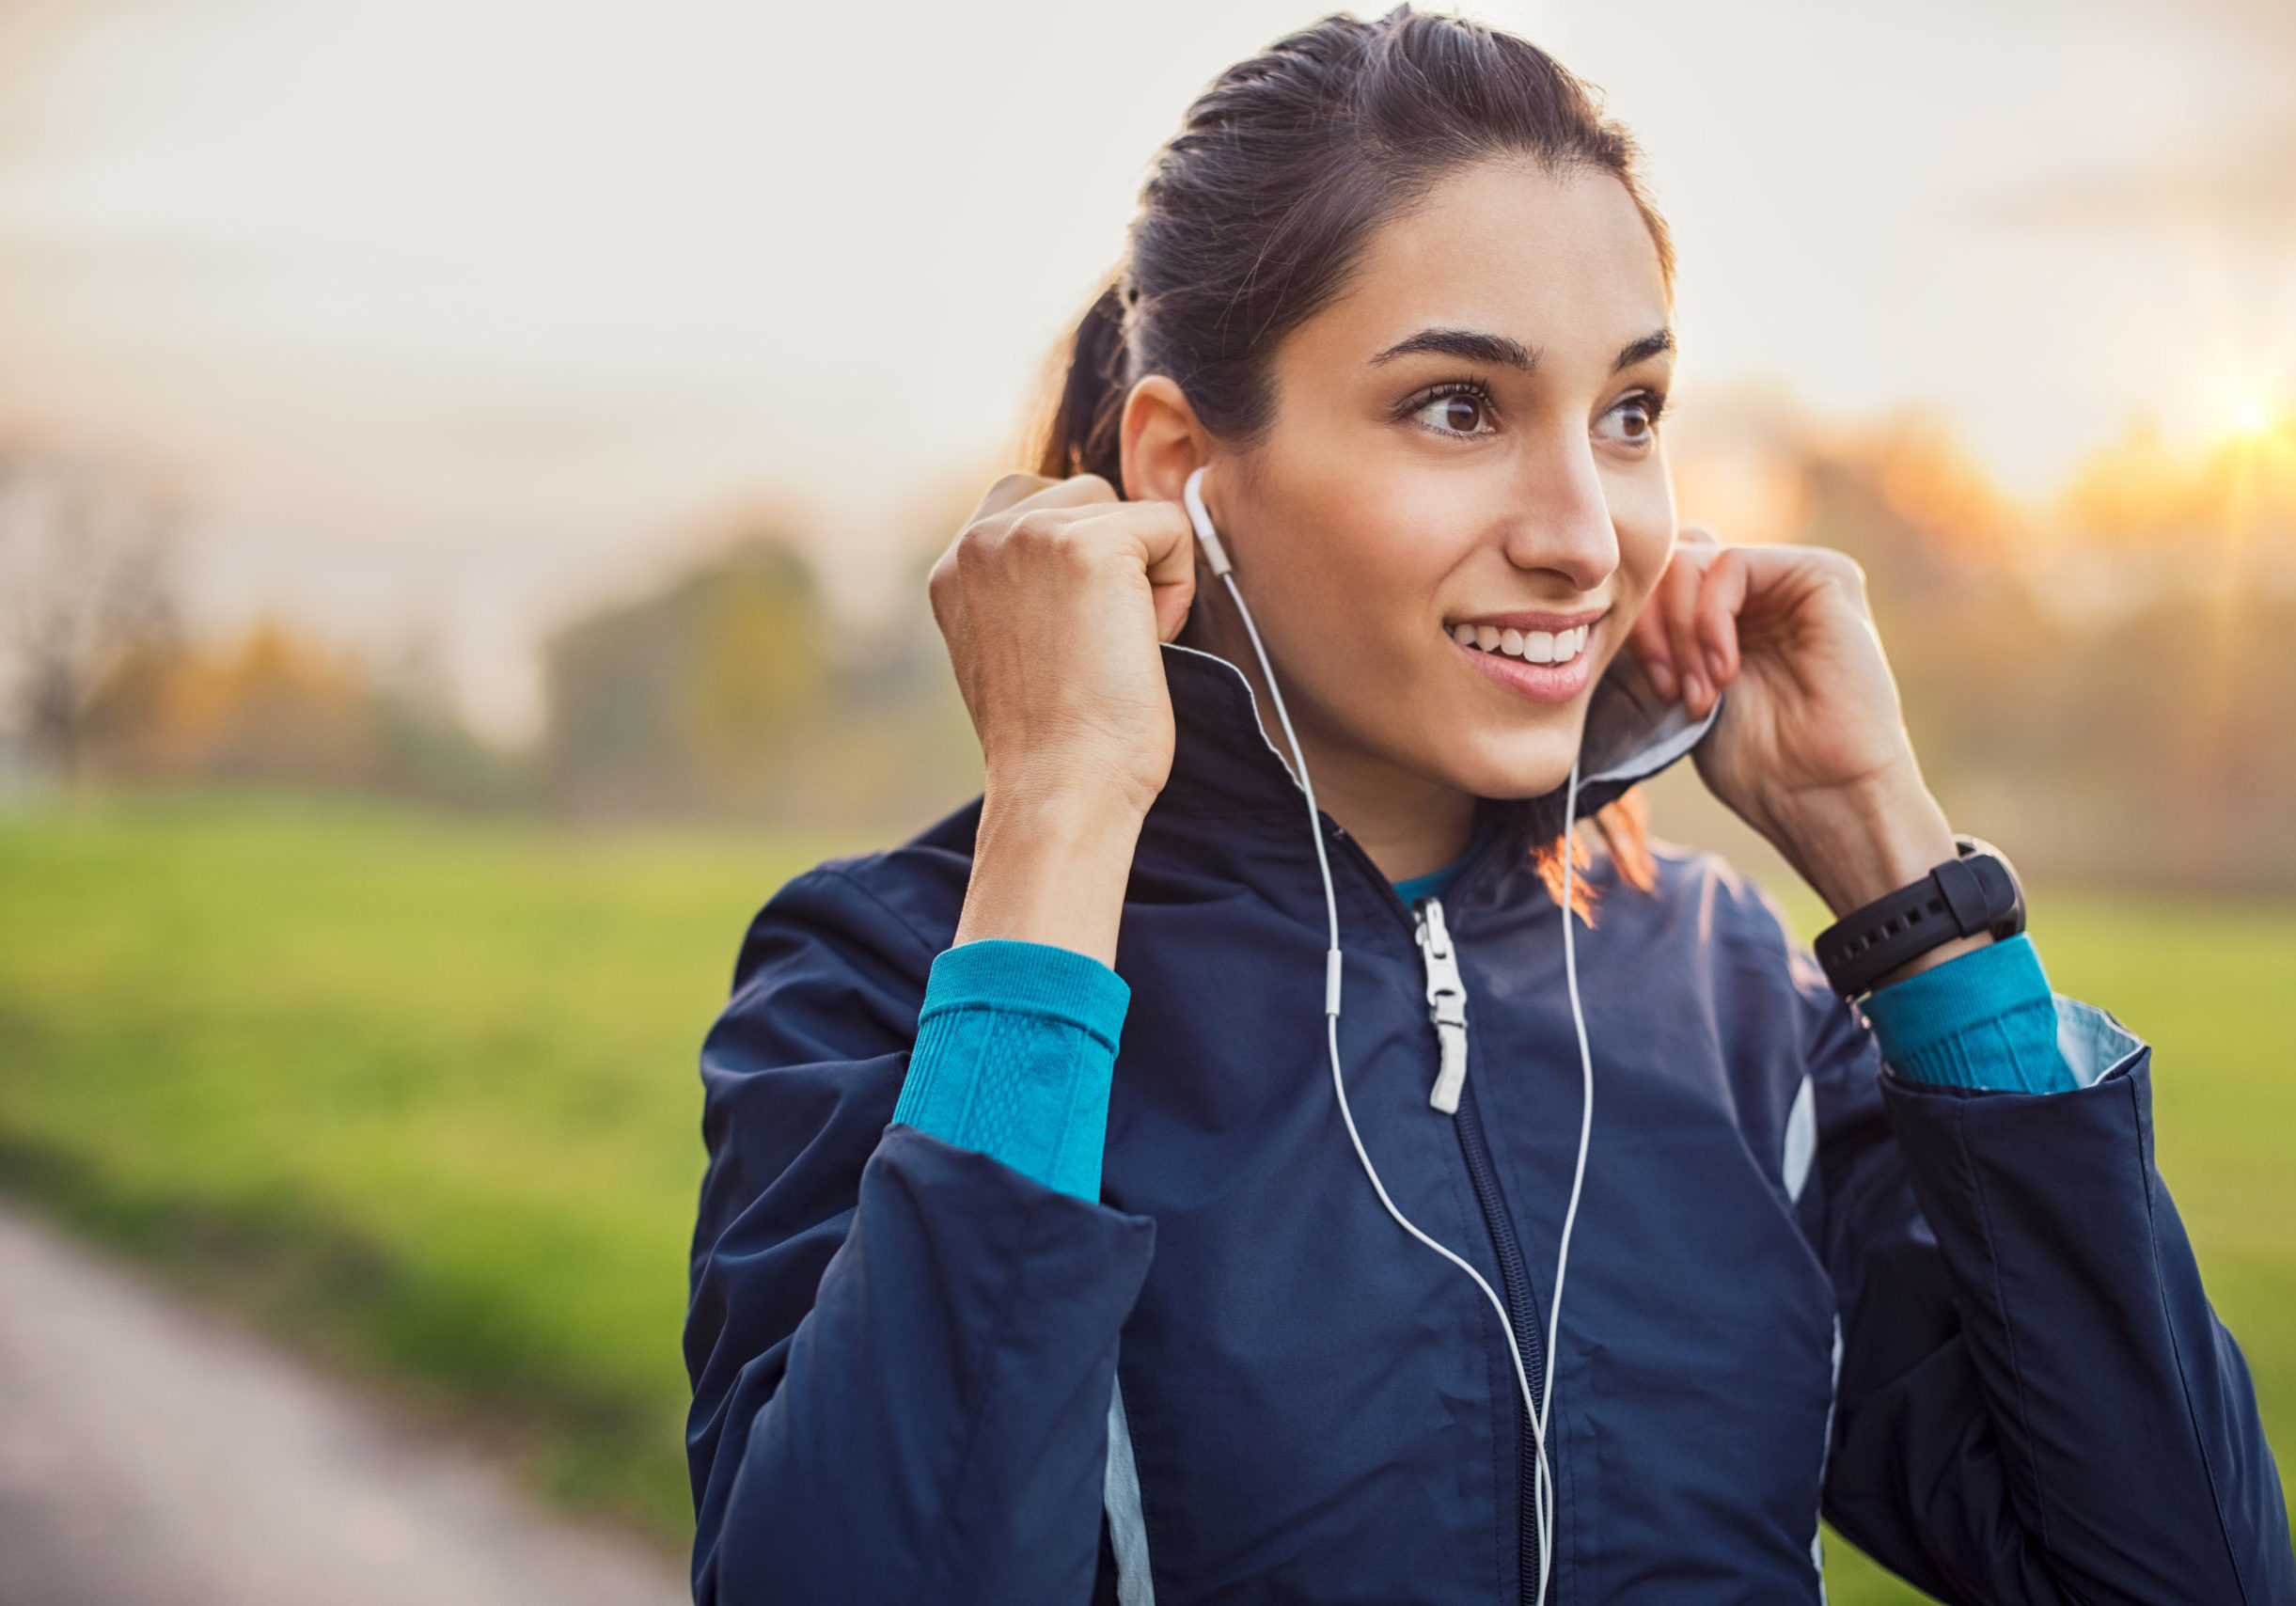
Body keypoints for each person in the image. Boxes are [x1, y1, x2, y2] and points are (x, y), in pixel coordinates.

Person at [682, 10, 2293, 1603]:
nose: (1584, 536)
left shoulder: (1734, 1004)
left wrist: (1898, 867)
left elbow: (2186, 1573)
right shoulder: (887, 977)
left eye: (1631, 414)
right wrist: (1058, 817)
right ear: (1179, 465)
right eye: (1460, 407)